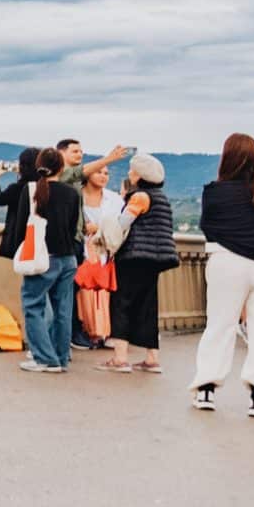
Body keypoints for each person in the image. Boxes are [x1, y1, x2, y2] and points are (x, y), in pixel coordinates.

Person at [193, 135, 254, 418]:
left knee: (220, 325)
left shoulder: (214, 192)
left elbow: (208, 226)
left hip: (225, 263)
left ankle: (206, 388)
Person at [55, 140, 134, 350]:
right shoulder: (64, 177)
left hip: (102, 250)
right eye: (75, 151)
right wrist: (109, 158)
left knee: (102, 292)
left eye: (81, 151)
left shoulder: (113, 199)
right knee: (73, 291)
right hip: (75, 245)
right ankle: (77, 332)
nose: (80, 154)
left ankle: (100, 332)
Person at [99, 156, 172, 375]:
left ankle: (120, 358)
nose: (129, 174)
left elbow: (122, 224)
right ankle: (152, 358)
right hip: (155, 260)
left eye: (132, 171)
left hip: (134, 257)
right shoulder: (163, 198)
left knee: (121, 303)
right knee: (148, 307)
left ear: (140, 175)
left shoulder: (140, 197)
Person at [18, 148, 83, 373]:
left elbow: (21, 228)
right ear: (62, 168)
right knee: (63, 309)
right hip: (68, 258)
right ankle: (61, 357)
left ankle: (44, 358)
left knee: (33, 305)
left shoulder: (32, 191)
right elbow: (75, 225)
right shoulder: (72, 194)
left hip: (43, 257)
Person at [77, 163, 125, 353]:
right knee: (84, 293)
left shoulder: (114, 199)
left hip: (106, 251)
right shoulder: (77, 196)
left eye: (106, 173)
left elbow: (121, 223)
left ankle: (104, 332)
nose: (104, 176)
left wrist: (101, 229)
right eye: (99, 172)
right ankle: (88, 332)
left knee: (104, 293)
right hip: (83, 249)